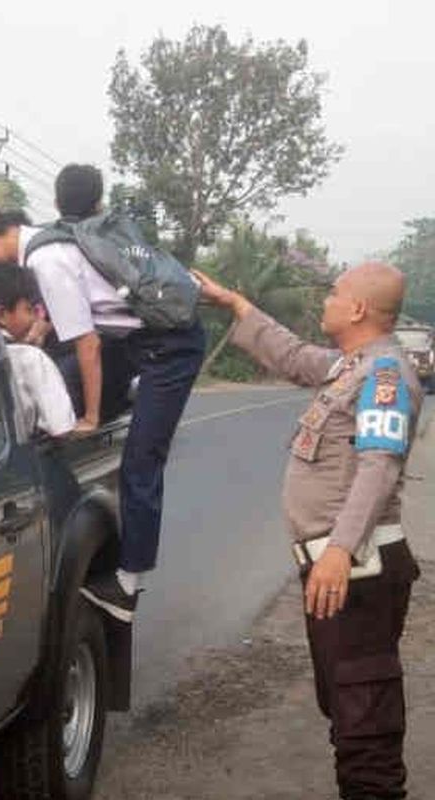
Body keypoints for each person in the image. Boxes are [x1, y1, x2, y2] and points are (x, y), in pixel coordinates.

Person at [0, 165, 206, 623]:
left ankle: (128, 585)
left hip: (168, 350)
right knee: (57, 375)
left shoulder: (45, 258)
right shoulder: (45, 240)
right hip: (134, 342)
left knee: (141, 464)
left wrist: (90, 417)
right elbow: (63, 320)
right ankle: (120, 393)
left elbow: (86, 343)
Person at [195, 263, 422, 800]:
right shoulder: (352, 365)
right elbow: (293, 356)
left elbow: (378, 466)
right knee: (346, 712)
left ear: (359, 309)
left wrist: (340, 549)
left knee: (365, 727)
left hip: (358, 572)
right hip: (340, 569)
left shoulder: (384, 375)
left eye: (335, 294)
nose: (326, 302)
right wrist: (236, 306)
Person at [0, 263, 76, 437]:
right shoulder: (30, 358)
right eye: (29, 310)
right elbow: (60, 425)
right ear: (1, 315)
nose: (35, 319)